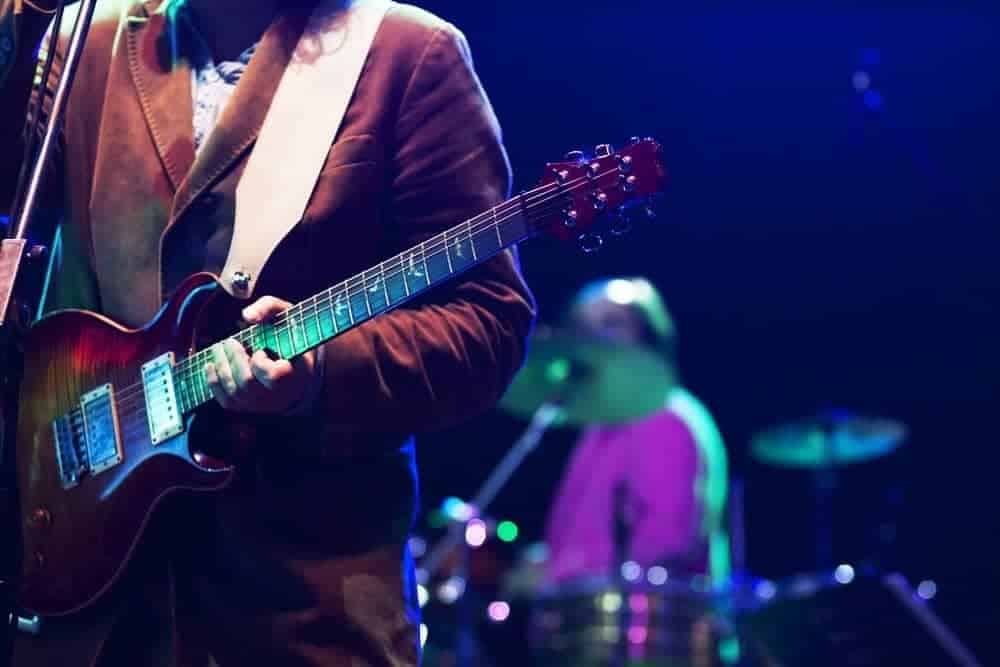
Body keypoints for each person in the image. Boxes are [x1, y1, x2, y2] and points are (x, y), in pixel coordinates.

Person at [0, 0, 535, 664]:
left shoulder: (404, 53)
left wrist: (319, 373)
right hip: (83, 593)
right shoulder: (89, 36)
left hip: (299, 598)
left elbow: (489, 321)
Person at [543, 277, 730, 587]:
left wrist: (558, 571)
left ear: (648, 336)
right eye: (583, 328)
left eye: (612, 324)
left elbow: (669, 539)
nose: (594, 340)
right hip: (589, 614)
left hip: (647, 622)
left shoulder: (664, 416)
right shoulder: (599, 426)